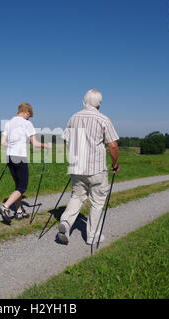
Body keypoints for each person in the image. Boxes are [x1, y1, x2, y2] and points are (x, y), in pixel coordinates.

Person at [56, 89, 120, 245]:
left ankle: (66, 222)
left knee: (77, 196)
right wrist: (115, 164)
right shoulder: (103, 119)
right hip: (96, 168)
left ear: (84, 101)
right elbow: (112, 145)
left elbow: (66, 140)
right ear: (99, 103)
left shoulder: (73, 117)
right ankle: (92, 236)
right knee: (97, 201)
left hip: (77, 166)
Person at [0, 103, 49, 224]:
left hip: (9, 157)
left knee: (18, 185)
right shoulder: (27, 123)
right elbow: (35, 144)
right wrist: (47, 145)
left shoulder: (9, 123)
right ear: (27, 112)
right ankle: (5, 207)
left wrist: (13, 147)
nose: (29, 118)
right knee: (22, 187)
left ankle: (19, 211)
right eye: (29, 116)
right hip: (20, 157)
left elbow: (3, 142)